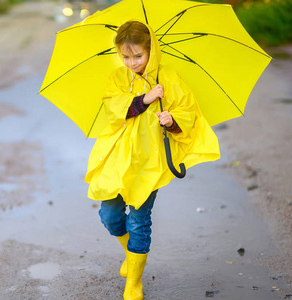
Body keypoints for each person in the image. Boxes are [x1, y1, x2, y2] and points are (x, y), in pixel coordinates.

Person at [84, 20, 220, 300]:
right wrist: (143, 100)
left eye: (138, 56)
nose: (132, 62)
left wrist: (171, 120)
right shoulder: (117, 78)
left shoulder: (167, 78)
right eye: (125, 56)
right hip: (117, 158)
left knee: (138, 221)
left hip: (149, 161)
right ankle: (129, 252)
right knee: (109, 216)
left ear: (151, 51)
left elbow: (188, 111)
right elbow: (113, 109)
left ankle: (134, 281)